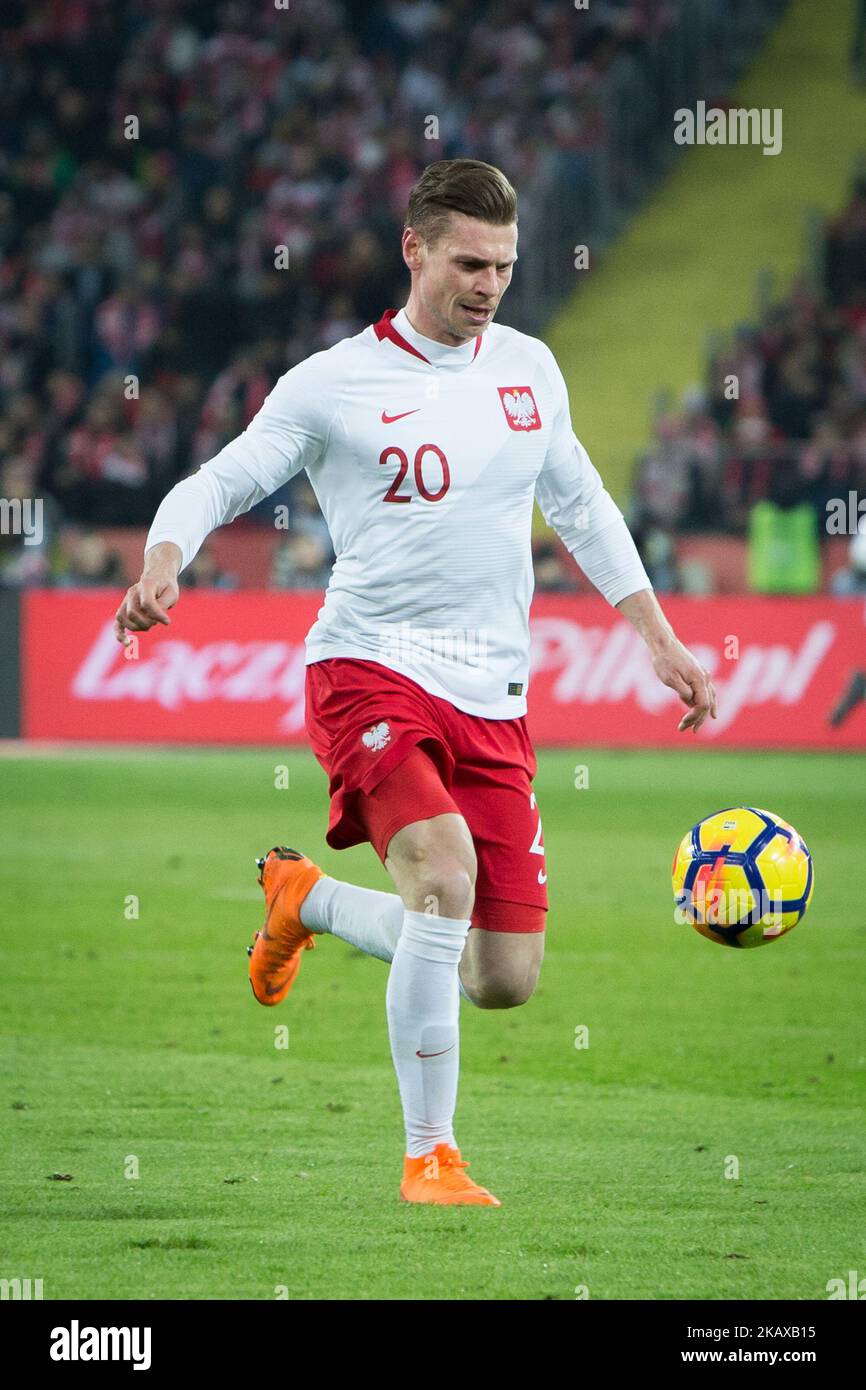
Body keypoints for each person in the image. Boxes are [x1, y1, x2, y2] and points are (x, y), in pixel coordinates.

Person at [113, 159, 717, 1206]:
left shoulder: (529, 369)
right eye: (468, 263)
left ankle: (304, 899)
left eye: (504, 267)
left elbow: (579, 505)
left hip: (493, 694)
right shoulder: (331, 383)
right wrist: (167, 559)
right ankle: (427, 1156)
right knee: (441, 875)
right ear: (414, 251)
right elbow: (220, 479)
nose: (487, 285)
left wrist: (656, 635)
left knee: (497, 975)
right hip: (369, 669)